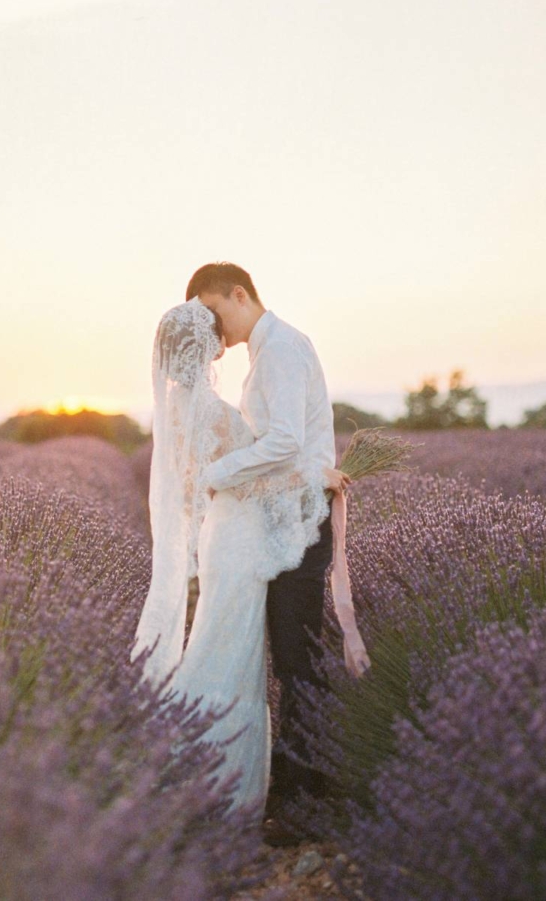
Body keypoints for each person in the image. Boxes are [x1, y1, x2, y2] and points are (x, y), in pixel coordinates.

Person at [130, 283, 368, 828]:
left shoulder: (263, 360)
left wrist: (302, 475)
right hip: (246, 540)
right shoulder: (219, 400)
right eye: (205, 327)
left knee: (256, 655)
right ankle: (254, 795)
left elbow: (264, 456)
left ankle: (265, 791)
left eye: (214, 313)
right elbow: (260, 465)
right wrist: (315, 474)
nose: (218, 334)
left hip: (250, 538)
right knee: (251, 658)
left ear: (237, 292)